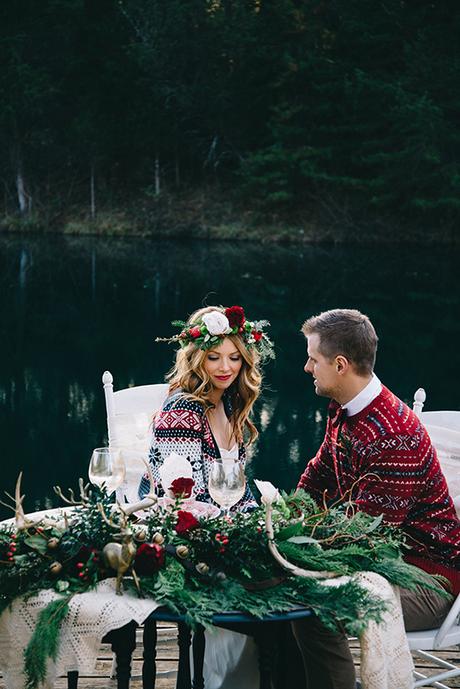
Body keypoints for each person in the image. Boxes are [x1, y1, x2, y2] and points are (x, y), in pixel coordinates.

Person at [292, 308, 460, 689]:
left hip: (425, 578)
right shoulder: (347, 409)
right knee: (285, 592)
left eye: (312, 359)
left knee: (315, 609)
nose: (306, 368)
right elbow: (315, 480)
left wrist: (297, 545)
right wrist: (284, 525)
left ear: (339, 365)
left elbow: (367, 536)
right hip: (381, 559)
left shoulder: (392, 434)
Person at [139, 304, 274, 689]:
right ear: (196, 356)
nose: (224, 367)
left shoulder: (230, 404)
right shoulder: (183, 409)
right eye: (214, 357)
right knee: (258, 583)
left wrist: (255, 520)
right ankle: (222, 680)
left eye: (234, 357)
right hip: (181, 536)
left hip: (219, 528)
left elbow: (236, 488)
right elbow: (182, 497)